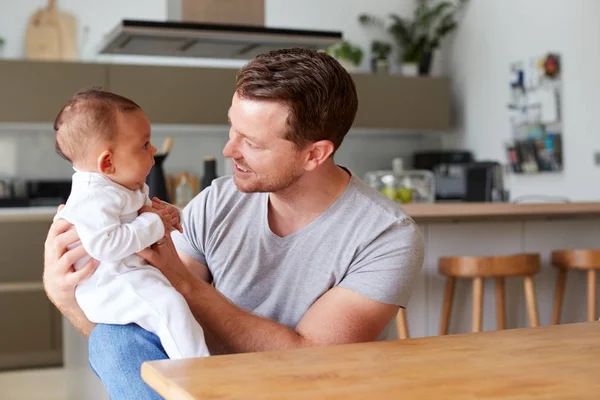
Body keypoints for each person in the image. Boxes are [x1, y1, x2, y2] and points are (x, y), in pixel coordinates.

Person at [44, 48, 424, 399]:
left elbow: (311, 359)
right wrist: (68, 298)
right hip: (210, 389)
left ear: (315, 154)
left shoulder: (385, 236)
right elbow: (143, 331)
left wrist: (180, 279)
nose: (229, 150)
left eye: (252, 143)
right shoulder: (218, 201)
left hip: (303, 392)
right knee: (113, 339)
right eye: (232, 128)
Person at [51, 89, 210, 361]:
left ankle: (186, 367)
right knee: (170, 307)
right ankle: (199, 374)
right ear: (108, 162)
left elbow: (144, 222)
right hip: (110, 285)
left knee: (175, 307)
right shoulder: (93, 197)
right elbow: (105, 244)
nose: (154, 149)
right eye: (144, 145)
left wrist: (168, 216)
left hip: (127, 275)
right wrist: (153, 222)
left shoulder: (119, 184)